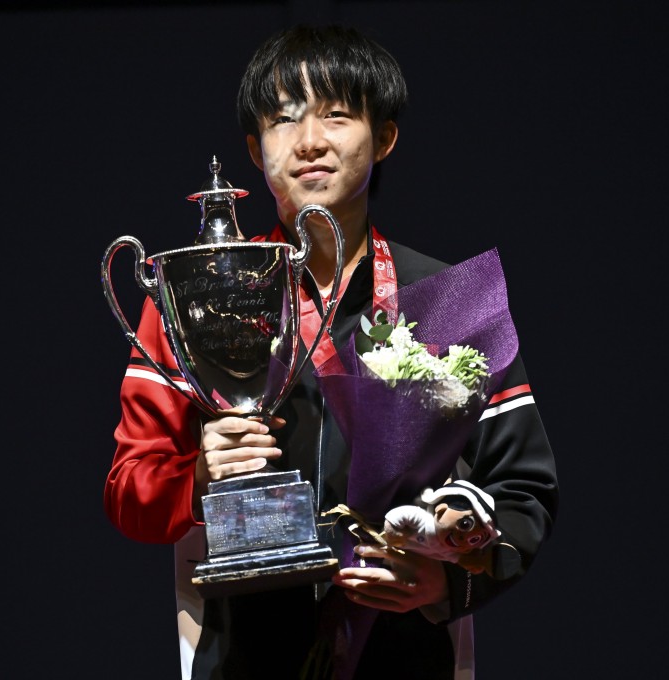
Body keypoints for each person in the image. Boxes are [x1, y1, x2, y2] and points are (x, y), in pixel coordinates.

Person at [104, 25, 558, 680]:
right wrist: (199, 477)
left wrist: (447, 584)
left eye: (337, 115)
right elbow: (129, 492)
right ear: (256, 150)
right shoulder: (193, 301)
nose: (310, 140)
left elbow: (526, 492)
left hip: (402, 654)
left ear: (385, 136)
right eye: (284, 119)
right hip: (244, 659)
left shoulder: (451, 299)